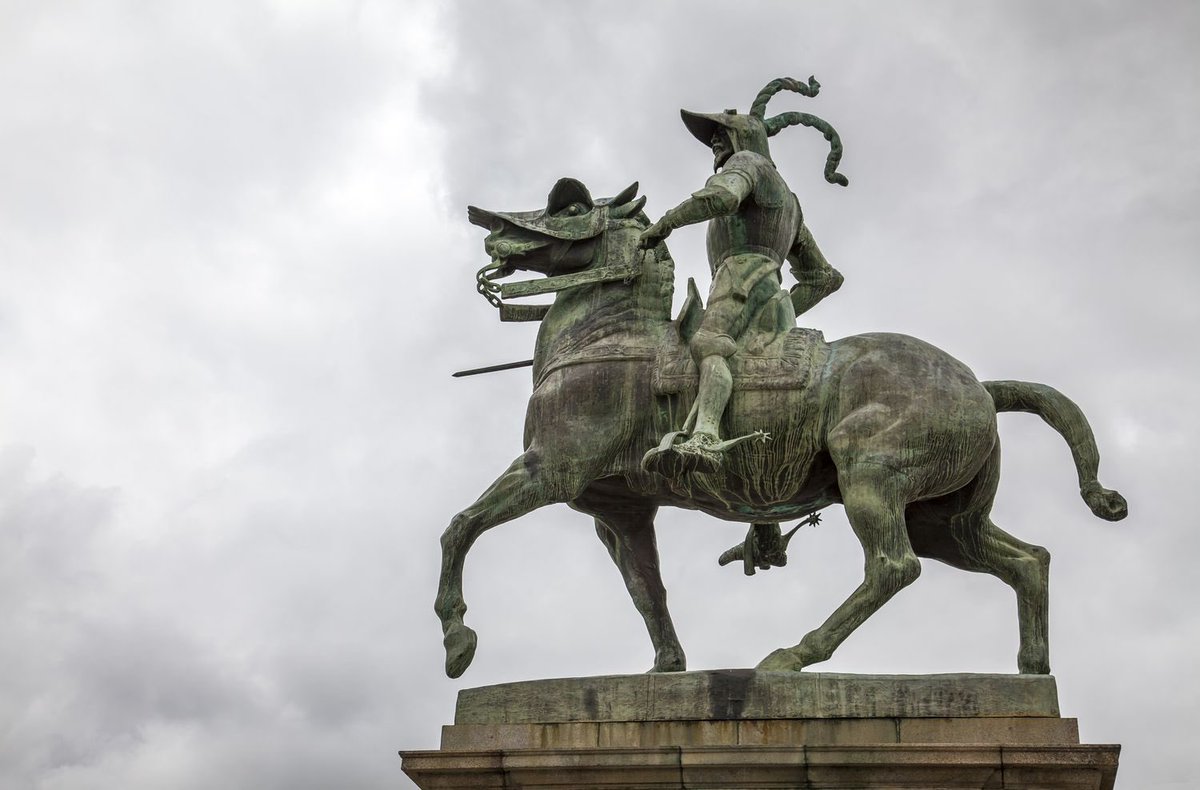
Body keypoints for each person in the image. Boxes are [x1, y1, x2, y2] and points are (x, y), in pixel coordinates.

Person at [639, 76, 849, 478]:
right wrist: (778, 306)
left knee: (708, 344)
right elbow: (823, 278)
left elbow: (723, 197)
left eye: (722, 133)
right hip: (768, 291)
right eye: (714, 136)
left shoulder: (747, 164)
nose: (715, 142)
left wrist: (665, 223)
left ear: (743, 138)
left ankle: (705, 435)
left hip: (737, 278)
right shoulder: (791, 204)